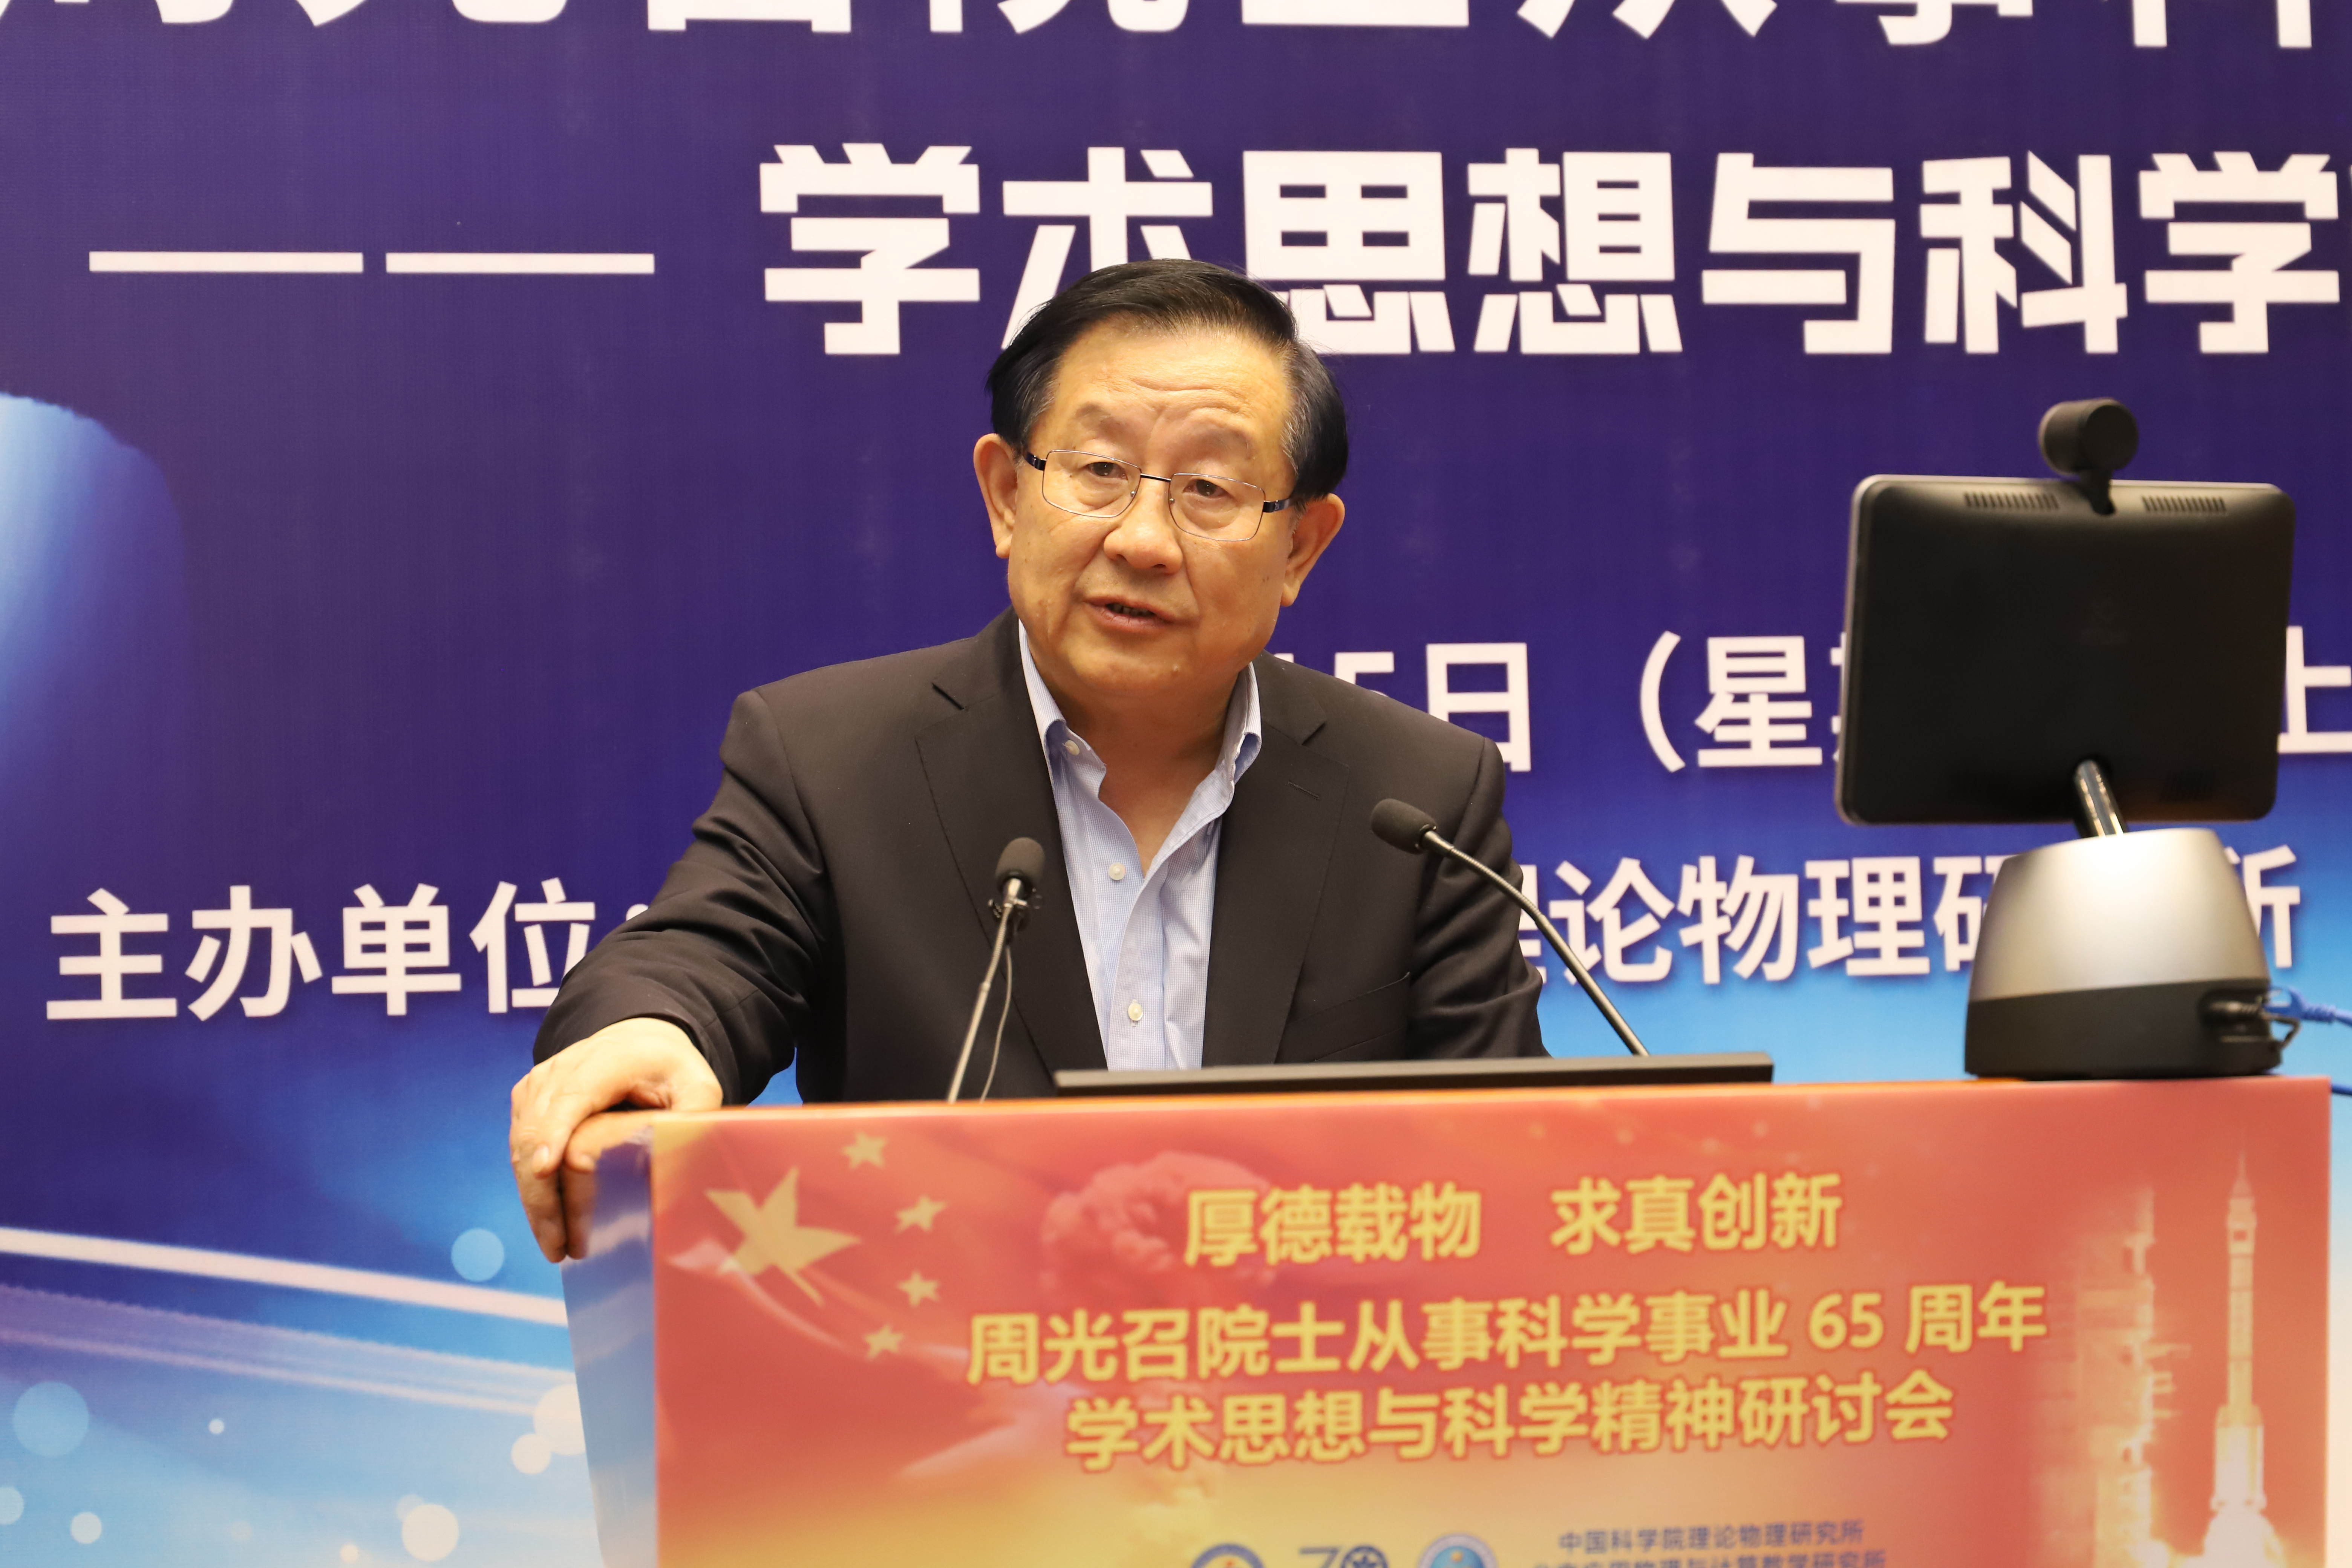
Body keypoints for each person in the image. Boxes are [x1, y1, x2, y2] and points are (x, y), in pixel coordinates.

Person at [509, 259, 1543, 1263]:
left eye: (1210, 488)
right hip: (955, 1361)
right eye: (1099, 472)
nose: (1143, 541)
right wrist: (650, 1032)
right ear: (1007, 494)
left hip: (1309, 1362)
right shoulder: (830, 758)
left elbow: (1512, 1155)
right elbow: (702, 956)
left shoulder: (1419, 797)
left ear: (1301, 548)